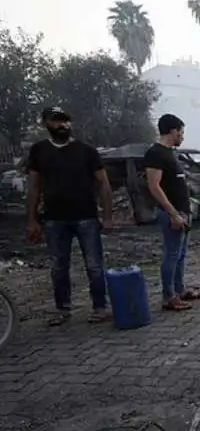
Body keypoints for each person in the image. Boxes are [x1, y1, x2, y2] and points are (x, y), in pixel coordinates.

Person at [26, 107, 114, 326]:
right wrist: (32, 220)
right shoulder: (39, 151)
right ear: (45, 123)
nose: (62, 125)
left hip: (86, 217)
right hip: (54, 219)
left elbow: (104, 184)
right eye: (56, 121)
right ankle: (62, 309)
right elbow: (34, 187)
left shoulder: (86, 151)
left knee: (94, 265)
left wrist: (108, 216)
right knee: (58, 266)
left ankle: (100, 307)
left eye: (65, 121)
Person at [144, 114, 200, 312]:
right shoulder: (156, 153)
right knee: (172, 255)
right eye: (181, 132)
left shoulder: (170, 153)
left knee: (181, 254)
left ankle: (180, 289)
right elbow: (154, 187)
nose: (182, 136)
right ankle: (168, 297)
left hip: (183, 211)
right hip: (173, 213)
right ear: (172, 131)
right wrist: (172, 213)